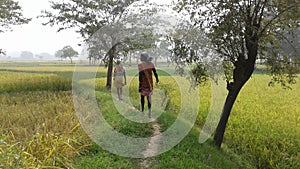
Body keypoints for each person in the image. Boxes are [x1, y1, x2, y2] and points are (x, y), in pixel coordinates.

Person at [138, 52, 159, 118]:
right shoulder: (151, 64)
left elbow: (140, 76)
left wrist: (140, 85)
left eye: (141, 57)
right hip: (150, 84)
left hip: (143, 84)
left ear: (143, 58)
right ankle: (149, 113)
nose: (140, 58)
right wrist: (157, 79)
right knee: (149, 98)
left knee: (142, 97)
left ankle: (142, 111)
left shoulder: (141, 65)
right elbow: (155, 72)